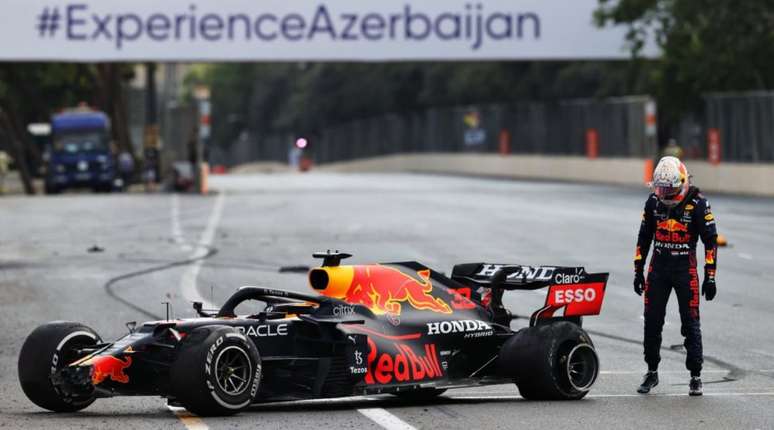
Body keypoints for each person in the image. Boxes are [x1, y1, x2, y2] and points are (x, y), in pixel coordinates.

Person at [633, 156, 717, 396]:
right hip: (657, 268)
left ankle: (695, 375)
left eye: (668, 189)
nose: (664, 193)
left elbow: (710, 242)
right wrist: (638, 270)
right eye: (660, 188)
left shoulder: (699, 204)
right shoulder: (652, 203)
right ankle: (651, 371)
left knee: (690, 323)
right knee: (652, 321)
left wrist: (710, 276)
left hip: (685, 269)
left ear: (681, 183)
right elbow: (643, 238)